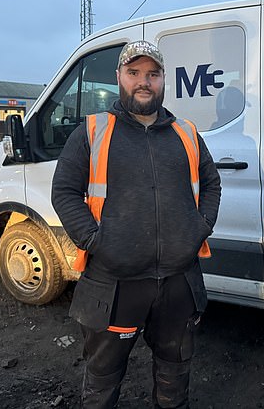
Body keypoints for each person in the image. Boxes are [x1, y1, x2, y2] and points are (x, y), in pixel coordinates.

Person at [51, 40, 221, 408]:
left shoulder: (186, 134)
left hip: (179, 283)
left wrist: (200, 226)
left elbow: (211, 183)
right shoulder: (94, 132)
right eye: (134, 73)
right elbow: (64, 191)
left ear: (163, 80)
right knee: (102, 383)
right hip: (115, 284)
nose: (143, 82)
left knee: (174, 381)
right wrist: (96, 241)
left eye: (152, 74)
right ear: (119, 78)